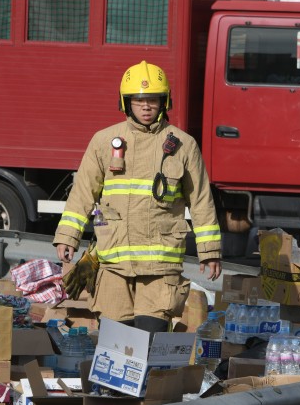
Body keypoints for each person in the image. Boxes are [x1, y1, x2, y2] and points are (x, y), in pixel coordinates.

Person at [53, 60, 222, 334]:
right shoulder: (104, 141)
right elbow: (83, 192)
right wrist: (67, 236)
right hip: (113, 267)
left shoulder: (183, 145)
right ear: (126, 102)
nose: (145, 106)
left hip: (160, 268)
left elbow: (201, 201)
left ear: (164, 101)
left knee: (149, 341)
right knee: (116, 348)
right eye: (138, 100)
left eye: (152, 99)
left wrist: (210, 252)